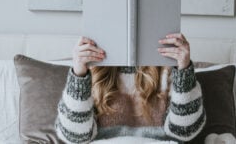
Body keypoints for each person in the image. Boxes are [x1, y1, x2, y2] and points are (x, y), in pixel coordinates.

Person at [55, 33, 206, 143]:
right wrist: (79, 75)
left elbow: (185, 132)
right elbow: (74, 136)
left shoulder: (168, 70)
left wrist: (184, 71)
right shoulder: (93, 72)